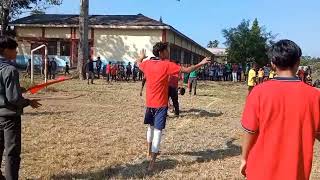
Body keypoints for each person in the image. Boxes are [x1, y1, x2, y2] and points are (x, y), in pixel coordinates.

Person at [240, 39, 320, 180]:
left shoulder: (259, 92)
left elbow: (250, 131)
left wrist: (244, 158)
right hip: (296, 172)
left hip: (260, 171)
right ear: (298, 62)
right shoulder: (315, 96)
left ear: (272, 63)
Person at [137, 42, 210, 171]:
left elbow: (138, 64)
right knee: (158, 132)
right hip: (160, 105)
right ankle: (152, 163)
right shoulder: (167, 65)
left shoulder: (147, 64)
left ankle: (148, 152)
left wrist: (141, 57)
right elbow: (187, 70)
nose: (169, 52)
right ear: (161, 53)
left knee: (151, 128)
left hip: (149, 104)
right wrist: (201, 63)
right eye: (167, 50)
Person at [0, 36, 42, 180]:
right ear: (6, 50)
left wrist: (18, 88)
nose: (16, 53)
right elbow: (13, 98)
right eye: (15, 50)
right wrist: (28, 102)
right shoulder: (10, 70)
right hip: (9, 117)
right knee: (12, 152)